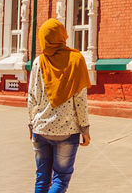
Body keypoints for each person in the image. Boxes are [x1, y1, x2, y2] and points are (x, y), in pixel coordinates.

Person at [28, 19, 91, 193]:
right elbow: (80, 101)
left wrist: (31, 124)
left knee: (42, 178)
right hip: (67, 131)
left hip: (41, 129)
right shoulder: (76, 59)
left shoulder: (38, 62)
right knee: (61, 178)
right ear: (62, 36)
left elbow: (32, 98)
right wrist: (85, 129)